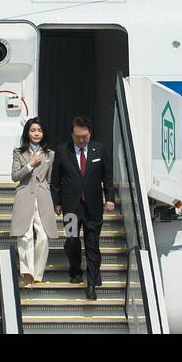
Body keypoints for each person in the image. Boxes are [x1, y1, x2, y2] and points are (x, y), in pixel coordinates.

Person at [51, 115, 116, 300]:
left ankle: (92, 283)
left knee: (92, 244)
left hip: (93, 207)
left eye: (85, 137)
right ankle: (75, 270)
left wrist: (109, 198)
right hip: (71, 208)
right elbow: (55, 180)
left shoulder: (100, 149)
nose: (81, 140)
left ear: (90, 134)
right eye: (78, 137)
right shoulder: (62, 151)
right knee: (72, 240)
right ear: (72, 134)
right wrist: (56, 202)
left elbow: (108, 177)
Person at [10, 117, 58, 286]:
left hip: (43, 196)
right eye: (32, 130)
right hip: (24, 195)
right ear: (27, 133)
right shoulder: (18, 152)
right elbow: (15, 176)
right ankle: (26, 272)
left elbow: (50, 179)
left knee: (44, 236)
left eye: (39, 130)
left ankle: (37, 274)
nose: (36, 133)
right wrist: (29, 165)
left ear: (43, 133)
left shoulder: (50, 154)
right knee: (25, 235)